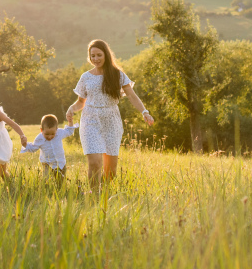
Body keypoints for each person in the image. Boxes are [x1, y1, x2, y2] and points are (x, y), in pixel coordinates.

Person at [66, 39, 154, 186]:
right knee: (94, 163)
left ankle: (104, 197)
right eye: (92, 56)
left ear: (106, 55)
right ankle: (93, 198)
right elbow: (81, 102)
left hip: (111, 121)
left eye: (99, 55)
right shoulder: (85, 77)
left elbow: (132, 96)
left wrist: (144, 112)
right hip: (90, 120)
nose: (96, 59)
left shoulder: (117, 75)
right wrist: (72, 108)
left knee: (110, 170)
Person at [17, 114, 78, 180]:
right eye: (47, 134)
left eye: (52, 134)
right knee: (46, 181)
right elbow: (33, 148)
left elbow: (69, 131)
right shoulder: (39, 138)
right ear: (41, 130)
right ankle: (46, 188)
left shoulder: (59, 133)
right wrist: (25, 144)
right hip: (47, 164)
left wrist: (70, 122)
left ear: (56, 130)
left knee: (60, 182)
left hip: (60, 163)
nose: (50, 136)